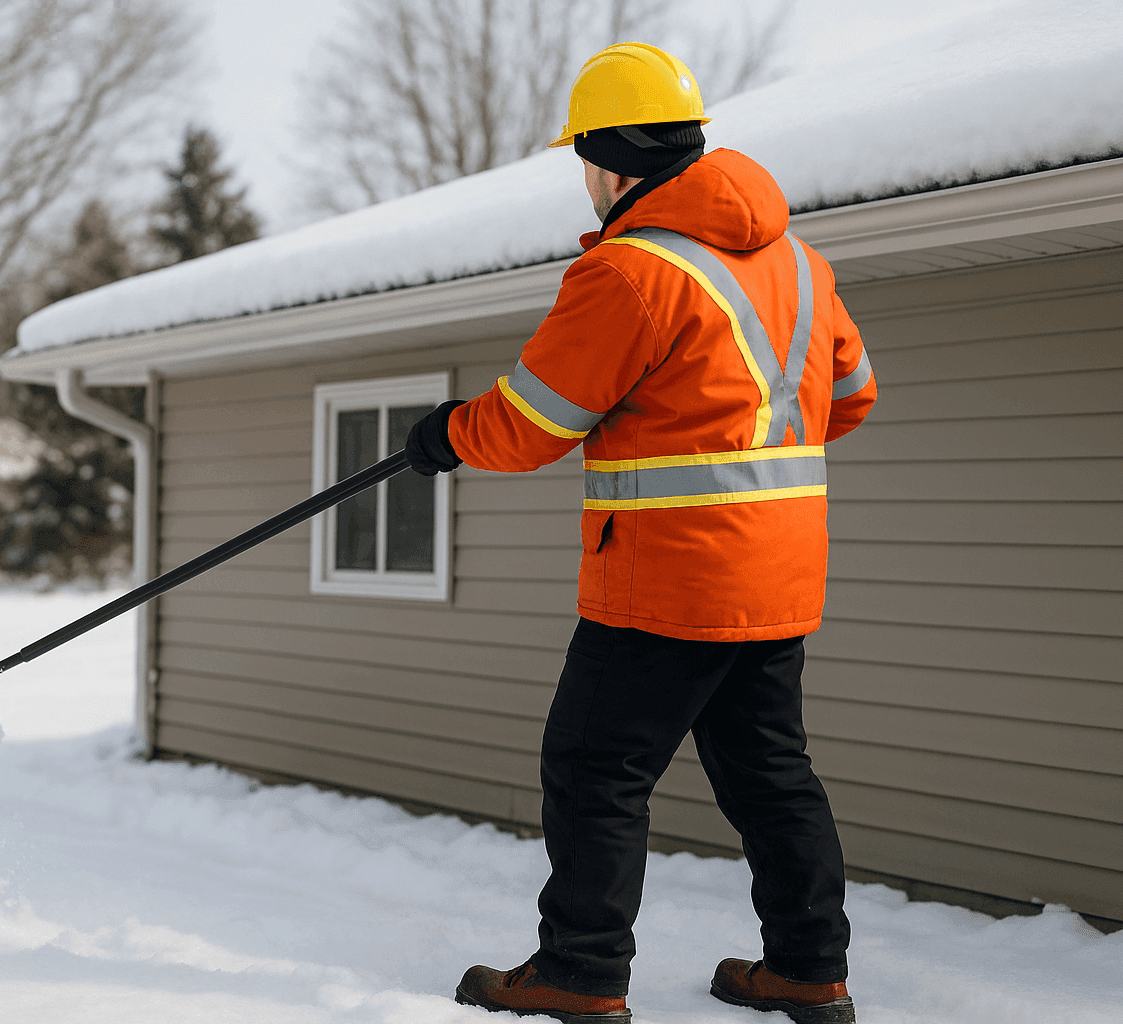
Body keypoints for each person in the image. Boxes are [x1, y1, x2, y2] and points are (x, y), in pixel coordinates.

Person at [404, 43, 876, 1024]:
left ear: (613, 161)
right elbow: (853, 398)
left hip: (665, 581)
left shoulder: (631, 271)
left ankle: (578, 973)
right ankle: (806, 967)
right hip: (776, 578)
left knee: (596, 772)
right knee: (773, 775)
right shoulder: (800, 263)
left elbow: (532, 426)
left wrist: (446, 434)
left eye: (582, 155)